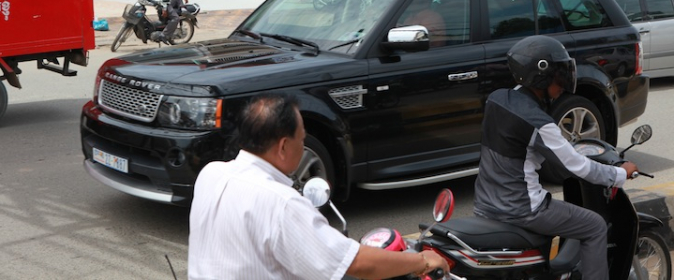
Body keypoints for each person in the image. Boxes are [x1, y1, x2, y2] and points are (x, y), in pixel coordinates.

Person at [188, 94, 449, 280]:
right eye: (301, 140)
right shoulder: (282, 203)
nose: (303, 147)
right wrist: (421, 260)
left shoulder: (211, 174)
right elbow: (356, 263)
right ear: (282, 146)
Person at [473, 35, 638, 280]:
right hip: (523, 209)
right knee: (594, 226)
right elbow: (577, 165)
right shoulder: (539, 123)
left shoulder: (496, 100)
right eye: (557, 75)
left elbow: (516, 148)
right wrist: (619, 173)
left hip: (485, 205)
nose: (561, 84)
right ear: (542, 77)